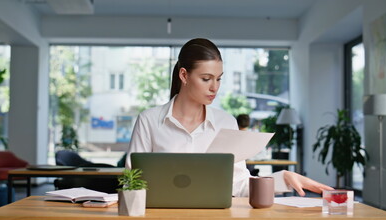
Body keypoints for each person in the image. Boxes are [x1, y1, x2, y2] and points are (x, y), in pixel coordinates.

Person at [126, 38, 332, 198]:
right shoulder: (149, 120)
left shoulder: (226, 122)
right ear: (184, 75)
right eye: (206, 79)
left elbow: (239, 184)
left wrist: (282, 178)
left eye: (218, 79)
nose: (215, 87)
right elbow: (131, 182)